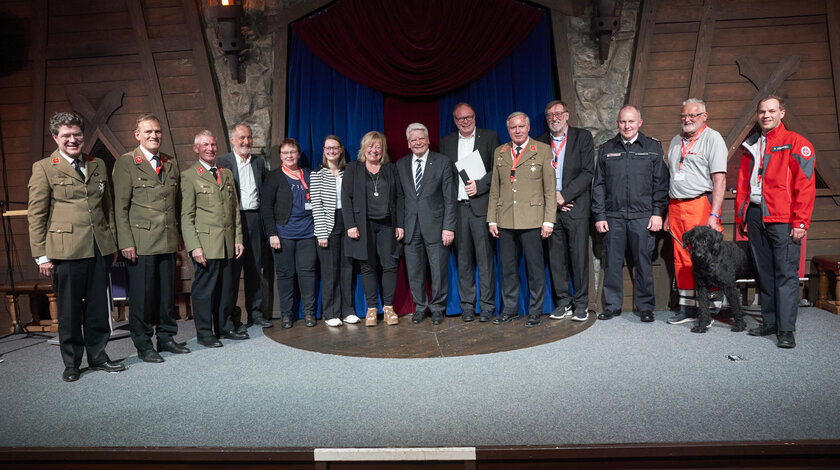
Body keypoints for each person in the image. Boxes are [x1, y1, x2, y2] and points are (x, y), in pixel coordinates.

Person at [28, 111, 125, 381]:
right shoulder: (45, 167)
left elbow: (107, 207)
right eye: (66, 135)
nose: (73, 140)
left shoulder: (97, 165)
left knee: (97, 306)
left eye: (77, 135)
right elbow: (37, 215)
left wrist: (112, 242)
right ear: (55, 138)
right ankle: (72, 363)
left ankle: (98, 356)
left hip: (98, 247)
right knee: (70, 310)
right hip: (65, 250)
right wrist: (41, 256)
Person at [735, 95, 815, 349]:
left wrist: (801, 222)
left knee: (786, 275)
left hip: (784, 219)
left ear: (782, 113)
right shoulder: (751, 144)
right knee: (764, 274)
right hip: (756, 215)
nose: (766, 115)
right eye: (762, 111)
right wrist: (743, 216)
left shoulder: (796, 143)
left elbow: (805, 186)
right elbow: (743, 183)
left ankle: (786, 330)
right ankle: (769, 322)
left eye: (771, 111)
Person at [113, 113, 189, 363]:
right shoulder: (127, 163)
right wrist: (125, 242)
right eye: (148, 132)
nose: (154, 136)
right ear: (138, 135)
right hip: (141, 242)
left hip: (166, 239)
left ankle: (166, 338)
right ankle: (144, 344)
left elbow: (175, 204)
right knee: (143, 298)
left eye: (157, 132)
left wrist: (177, 235)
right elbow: (120, 207)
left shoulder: (170, 162)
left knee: (167, 295)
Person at [592, 105, 669, 323]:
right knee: (613, 263)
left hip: (643, 216)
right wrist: (600, 215)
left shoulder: (653, 147)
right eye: (623, 122)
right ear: (617, 124)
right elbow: (598, 185)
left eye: (631, 122)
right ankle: (612, 306)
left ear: (639, 123)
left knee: (643, 262)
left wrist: (657, 213)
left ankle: (645, 307)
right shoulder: (607, 148)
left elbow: (661, 184)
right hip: (613, 217)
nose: (627, 126)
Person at [487, 111, 555, 328]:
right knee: (507, 269)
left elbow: (550, 189)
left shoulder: (542, 150)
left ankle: (535, 311)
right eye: (513, 128)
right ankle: (510, 310)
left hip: (533, 220)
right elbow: (495, 189)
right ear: (508, 130)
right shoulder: (500, 152)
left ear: (528, 128)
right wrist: (492, 219)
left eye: (520, 127)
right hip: (506, 220)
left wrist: (549, 220)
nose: (517, 131)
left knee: (535, 269)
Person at [663, 99, 727, 326]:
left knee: (703, 257)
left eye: (693, 115)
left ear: (704, 116)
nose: (687, 120)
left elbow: (719, 180)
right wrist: (669, 212)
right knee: (681, 257)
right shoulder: (674, 141)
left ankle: (708, 309)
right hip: (676, 206)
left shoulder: (713, 139)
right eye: (684, 116)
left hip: (700, 204)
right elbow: (673, 178)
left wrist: (714, 214)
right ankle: (686, 307)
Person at [181, 130, 246, 347]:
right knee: (204, 291)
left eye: (213, 144)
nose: (210, 149)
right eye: (205, 145)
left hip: (228, 243)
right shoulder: (190, 176)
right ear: (196, 148)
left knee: (227, 289)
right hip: (206, 246)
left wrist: (238, 238)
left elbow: (234, 209)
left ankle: (224, 327)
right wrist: (194, 247)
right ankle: (204, 333)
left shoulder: (226, 173)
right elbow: (186, 216)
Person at [439, 103, 500, 322]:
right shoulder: (445, 142)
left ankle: (487, 306)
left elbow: (498, 169)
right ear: (454, 120)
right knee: (463, 261)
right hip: (458, 209)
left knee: (484, 259)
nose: (465, 121)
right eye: (460, 118)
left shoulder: (490, 137)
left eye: (469, 117)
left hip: (481, 207)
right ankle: (467, 306)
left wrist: (481, 186)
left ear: (475, 117)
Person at [536, 100, 595, 322]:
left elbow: (588, 172)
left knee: (578, 257)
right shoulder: (540, 141)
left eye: (558, 113)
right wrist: (553, 200)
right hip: (550, 210)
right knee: (555, 257)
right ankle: (563, 302)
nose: (554, 117)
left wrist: (564, 196)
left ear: (567, 115)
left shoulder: (583, 137)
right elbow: (535, 177)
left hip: (575, 206)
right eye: (550, 114)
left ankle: (581, 304)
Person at [396, 123, 457, 325]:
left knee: (439, 271)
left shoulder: (443, 162)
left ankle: (438, 307)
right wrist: (400, 225)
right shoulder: (401, 164)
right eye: (413, 140)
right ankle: (420, 307)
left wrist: (449, 227)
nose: (418, 142)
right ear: (408, 144)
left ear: (428, 140)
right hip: (410, 227)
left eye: (421, 138)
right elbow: (400, 198)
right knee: (414, 271)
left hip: (437, 227)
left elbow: (450, 197)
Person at [342, 131, 404, 327]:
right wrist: (350, 224)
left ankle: (388, 308)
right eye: (370, 146)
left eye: (378, 147)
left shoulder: (390, 169)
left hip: (388, 225)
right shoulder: (353, 168)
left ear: (382, 150)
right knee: (368, 267)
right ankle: (371, 309)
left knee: (390, 265)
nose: (374, 150)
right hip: (363, 226)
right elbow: (346, 198)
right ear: (364, 148)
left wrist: (400, 224)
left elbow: (399, 198)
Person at [216, 123, 271, 330]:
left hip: (255, 219)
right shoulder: (222, 162)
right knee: (232, 271)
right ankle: (231, 317)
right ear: (232, 140)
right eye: (242, 138)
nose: (246, 142)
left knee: (254, 269)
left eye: (249, 137)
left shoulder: (258, 163)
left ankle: (255, 313)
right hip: (233, 222)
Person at [261, 138, 318, 329]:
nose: (289, 156)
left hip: (308, 235)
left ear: (298, 154)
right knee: (285, 275)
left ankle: (309, 312)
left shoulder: (309, 175)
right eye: (285, 153)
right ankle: (287, 314)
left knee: (308, 273)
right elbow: (266, 207)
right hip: (283, 235)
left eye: (292, 152)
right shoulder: (274, 176)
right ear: (280, 156)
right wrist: (272, 233)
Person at [310, 135, 359, 327]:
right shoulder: (317, 174)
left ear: (341, 149)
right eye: (328, 148)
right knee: (330, 271)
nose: (331, 151)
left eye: (335, 148)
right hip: (328, 226)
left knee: (347, 270)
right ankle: (331, 312)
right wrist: (321, 233)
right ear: (323, 150)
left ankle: (348, 311)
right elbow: (317, 206)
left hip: (347, 223)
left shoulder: (349, 172)